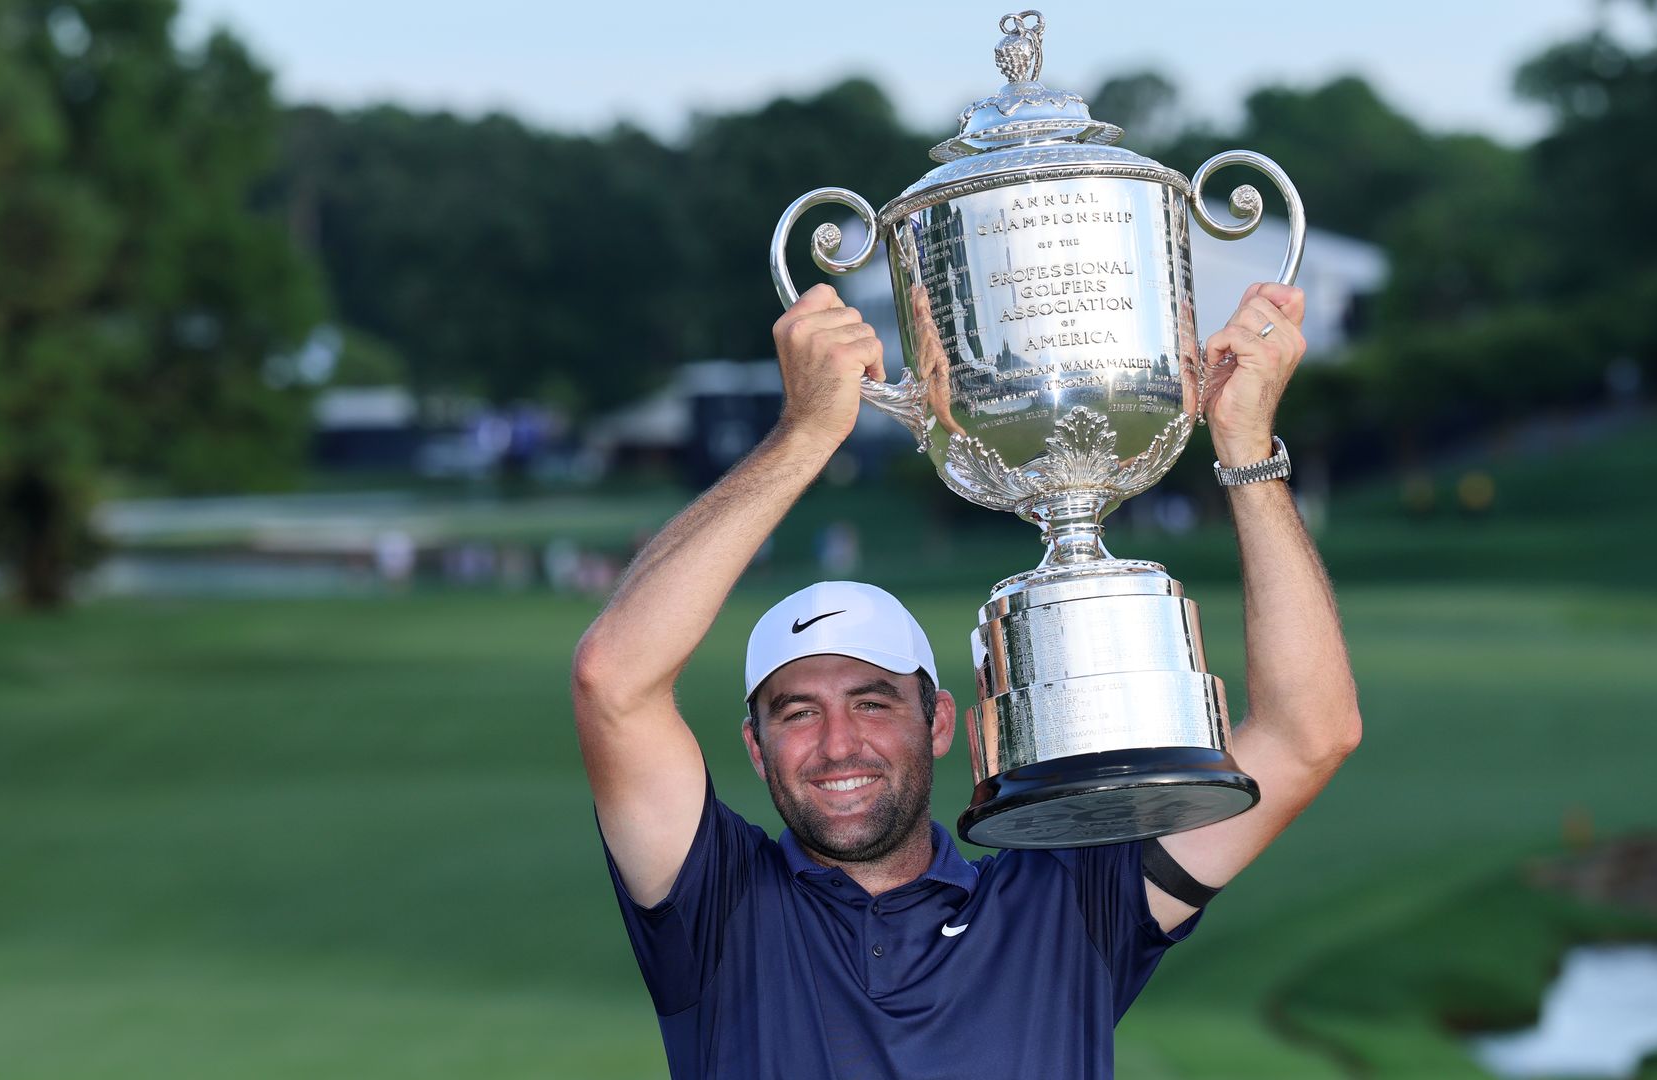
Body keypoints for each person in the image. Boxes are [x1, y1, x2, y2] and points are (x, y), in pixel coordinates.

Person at [571, 283, 1361, 1078]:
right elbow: (615, 680)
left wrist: (1247, 448)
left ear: (940, 721)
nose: (837, 744)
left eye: (872, 703)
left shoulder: (1069, 907)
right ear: (755, 744)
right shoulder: (715, 906)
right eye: (798, 713)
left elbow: (1307, 735)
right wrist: (807, 433)